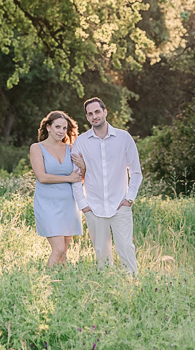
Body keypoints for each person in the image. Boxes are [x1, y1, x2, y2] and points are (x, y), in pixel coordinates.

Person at [71, 97, 142, 277]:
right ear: (87, 118)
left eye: (97, 112)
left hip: (120, 204)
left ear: (105, 112)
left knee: (125, 247)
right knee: (101, 252)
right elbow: (75, 176)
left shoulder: (124, 138)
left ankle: (133, 284)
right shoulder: (81, 142)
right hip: (93, 206)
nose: (94, 116)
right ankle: (106, 286)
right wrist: (83, 205)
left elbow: (136, 172)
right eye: (90, 114)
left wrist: (129, 199)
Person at [30, 110, 84, 267]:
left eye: (64, 128)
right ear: (48, 127)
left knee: (63, 253)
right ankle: (44, 283)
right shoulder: (37, 148)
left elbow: (79, 177)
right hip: (47, 205)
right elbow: (42, 177)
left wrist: (83, 166)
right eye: (57, 127)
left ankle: (60, 286)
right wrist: (67, 178)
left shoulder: (71, 149)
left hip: (69, 205)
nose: (61, 131)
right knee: (58, 249)